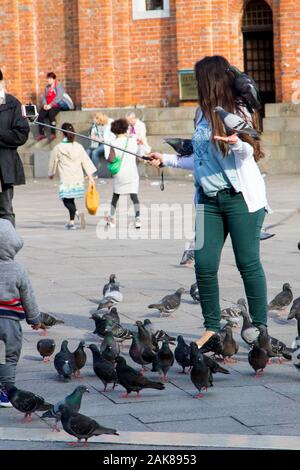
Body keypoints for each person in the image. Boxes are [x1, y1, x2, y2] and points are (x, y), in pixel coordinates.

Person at [150, 55, 268, 350]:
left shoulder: (238, 108)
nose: (195, 83)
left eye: (199, 78)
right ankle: (211, 327)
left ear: (210, 80)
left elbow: (248, 154)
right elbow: (199, 158)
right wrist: (164, 159)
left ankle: (261, 328)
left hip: (240, 199)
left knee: (247, 263)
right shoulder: (201, 114)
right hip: (208, 200)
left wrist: (237, 143)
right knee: (203, 264)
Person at [0, 219, 41, 407]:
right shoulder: (18, 269)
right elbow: (28, 297)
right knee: (9, 356)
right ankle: (6, 391)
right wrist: (34, 318)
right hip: (10, 322)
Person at [48, 122, 96, 230]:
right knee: (71, 200)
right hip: (77, 178)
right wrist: (91, 177)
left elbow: (53, 161)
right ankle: (71, 222)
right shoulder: (78, 147)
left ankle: (77, 213)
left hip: (66, 178)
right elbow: (86, 161)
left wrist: (51, 173)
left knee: (65, 199)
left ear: (62, 133)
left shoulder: (58, 147)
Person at [0, 69, 30, 227]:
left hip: (3, 167)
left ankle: (6, 249)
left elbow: (22, 133)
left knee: (5, 210)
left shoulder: (12, 104)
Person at [107, 119, 141, 229]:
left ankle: (111, 218)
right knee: (134, 196)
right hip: (132, 172)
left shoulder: (114, 143)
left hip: (120, 174)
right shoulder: (132, 141)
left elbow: (111, 160)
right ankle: (137, 219)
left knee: (115, 196)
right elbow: (138, 153)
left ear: (114, 130)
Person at [36, 72, 73, 142]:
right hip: (48, 105)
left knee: (51, 114)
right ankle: (41, 133)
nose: (48, 80)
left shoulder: (58, 86)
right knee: (40, 115)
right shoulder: (47, 88)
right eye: (48, 79)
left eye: (50, 79)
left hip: (57, 105)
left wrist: (50, 105)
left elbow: (59, 97)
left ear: (54, 79)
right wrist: (45, 105)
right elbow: (44, 97)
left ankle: (53, 133)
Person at [86, 112, 114, 177]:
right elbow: (93, 133)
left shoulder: (110, 123)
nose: (98, 124)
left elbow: (113, 137)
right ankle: (89, 173)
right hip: (96, 143)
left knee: (95, 152)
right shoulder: (95, 124)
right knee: (87, 152)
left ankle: (95, 174)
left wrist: (103, 139)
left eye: (99, 123)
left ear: (101, 120)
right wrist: (92, 136)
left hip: (107, 144)